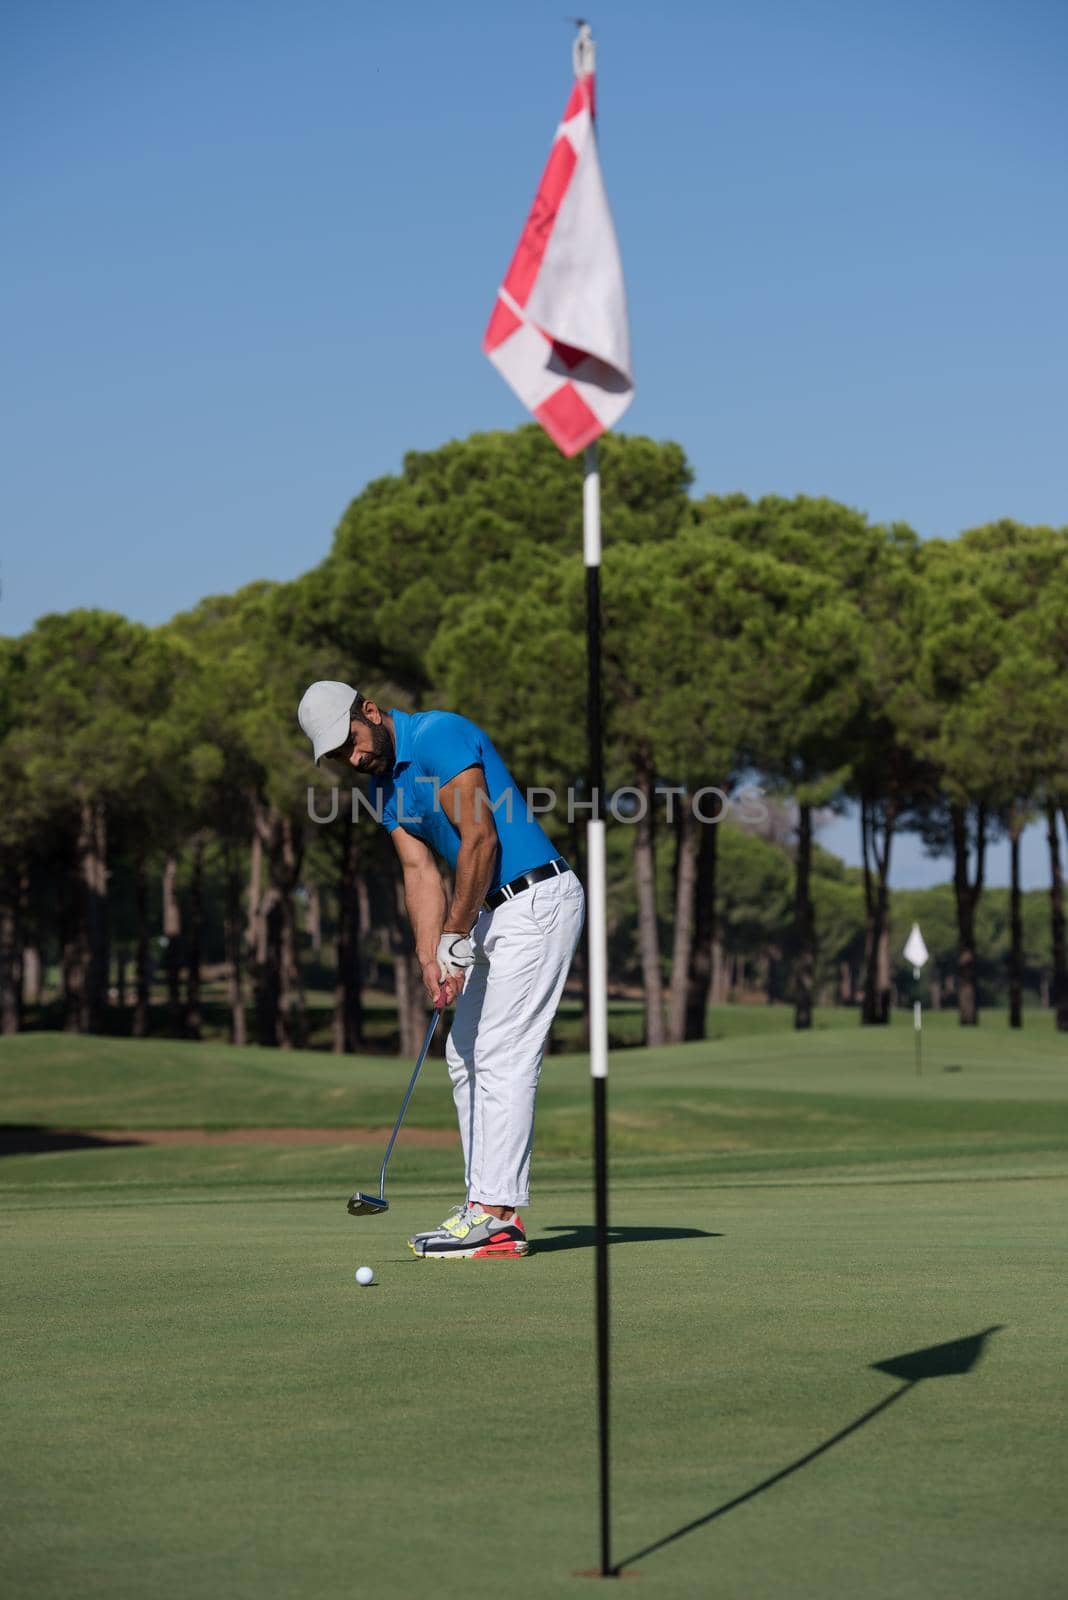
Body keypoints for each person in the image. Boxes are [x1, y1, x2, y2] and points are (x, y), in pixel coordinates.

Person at [297, 680, 585, 1259]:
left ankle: (498, 1218)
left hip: (536, 900)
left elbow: (480, 841)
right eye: (337, 757)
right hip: (488, 912)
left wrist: (456, 932)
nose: (352, 758)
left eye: (350, 741)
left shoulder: (438, 734)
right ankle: (484, 1204)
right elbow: (420, 871)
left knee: (502, 1051)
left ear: (371, 712)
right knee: (464, 1054)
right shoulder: (381, 789)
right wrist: (432, 956)